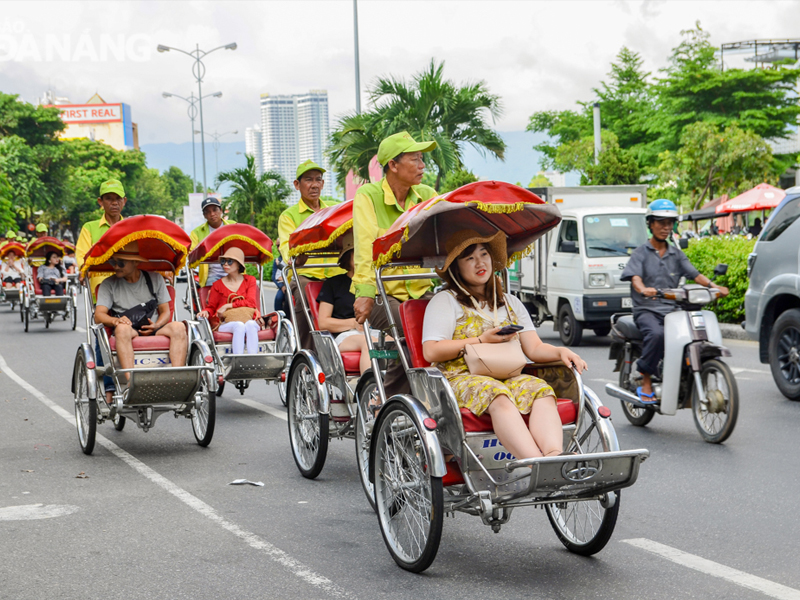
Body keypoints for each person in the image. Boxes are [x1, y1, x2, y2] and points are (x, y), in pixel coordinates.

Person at [422, 230, 586, 460]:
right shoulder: (445, 301)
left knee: (541, 390)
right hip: (458, 378)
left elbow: (534, 349)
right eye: (469, 258)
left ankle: (554, 457)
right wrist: (480, 340)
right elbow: (431, 350)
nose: (480, 262)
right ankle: (535, 465)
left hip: (507, 374)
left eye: (484, 254)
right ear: (455, 268)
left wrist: (561, 351)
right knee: (497, 394)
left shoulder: (510, 303)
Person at [352, 131, 440, 396]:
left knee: (451, 325)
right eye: (415, 159)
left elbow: (442, 239)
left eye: (422, 159)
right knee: (409, 327)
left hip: (420, 290)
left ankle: (434, 395)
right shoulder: (368, 195)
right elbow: (366, 247)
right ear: (393, 165)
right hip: (381, 292)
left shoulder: (426, 194)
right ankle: (389, 401)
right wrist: (366, 294)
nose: (423, 166)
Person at [621, 199, 729, 403]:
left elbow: (695, 275)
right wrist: (643, 289)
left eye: (670, 223)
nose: (666, 227)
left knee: (693, 335)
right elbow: (635, 278)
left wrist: (715, 288)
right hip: (647, 309)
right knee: (656, 334)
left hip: (671, 309)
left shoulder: (676, 254)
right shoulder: (640, 253)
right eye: (661, 222)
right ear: (650, 224)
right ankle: (645, 379)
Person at [94, 241, 187, 404]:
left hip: (153, 325)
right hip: (129, 328)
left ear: (135, 262)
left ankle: (175, 380)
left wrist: (156, 325)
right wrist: (116, 320)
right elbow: (99, 315)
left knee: (179, 327)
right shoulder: (109, 284)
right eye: (113, 262)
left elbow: (165, 311)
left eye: (120, 263)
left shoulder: (155, 278)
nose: (116, 267)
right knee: (122, 329)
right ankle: (131, 383)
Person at [277, 160, 341, 349]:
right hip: (306, 274)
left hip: (336, 273)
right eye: (308, 180)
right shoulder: (289, 216)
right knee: (305, 294)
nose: (314, 184)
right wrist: (297, 256)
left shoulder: (334, 208)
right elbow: (288, 248)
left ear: (322, 183)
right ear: (297, 185)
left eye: (318, 180)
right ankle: (306, 350)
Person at [316, 237, 388, 374]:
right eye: (358, 255)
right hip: (344, 335)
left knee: (396, 343)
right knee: (369, 342)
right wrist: (353, 324)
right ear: (348, 258)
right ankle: (371, 390)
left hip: (372, 331)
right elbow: (323, 322)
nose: (362, 259)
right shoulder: (333, 284)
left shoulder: (375, 283)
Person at [197, 247, 261, 355]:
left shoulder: (249, 280)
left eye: (230, 261)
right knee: (239, 325)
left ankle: (252, 360)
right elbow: (211, 307)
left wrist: (228, 305)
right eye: (223, 261)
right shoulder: (217, 285)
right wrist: (206, 312)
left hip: (249, 318)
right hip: (226, 322)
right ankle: (238, 361)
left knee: (250, 324)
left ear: (239, 264)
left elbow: (251, 303)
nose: (225, 264)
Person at [77, 179, 127, 292]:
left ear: (124, 201)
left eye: (118, 198)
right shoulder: (89, 228)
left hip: (129, 288)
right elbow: (82, 257)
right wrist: (83, 270)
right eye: (109, 198)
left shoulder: (131, 229)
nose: (114, 203)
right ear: (100, 202)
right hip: (99, 290)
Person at [189, 196, 236, 288]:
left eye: (215, 210)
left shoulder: (233, 226)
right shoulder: (196, 233)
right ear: (204, 215)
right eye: (208, 212)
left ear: (221, 211)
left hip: (235, 272)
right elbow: (192, 254)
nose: (212, 214)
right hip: (212, 276)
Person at [271, 242, 287, 313]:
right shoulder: (277, 261)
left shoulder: (291, 259)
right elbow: (275, 277)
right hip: (283, 285)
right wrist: (281, 286)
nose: (279, 248)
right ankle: (278, 316)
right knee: (278, 297)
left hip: (291, 284)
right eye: (278, 246)